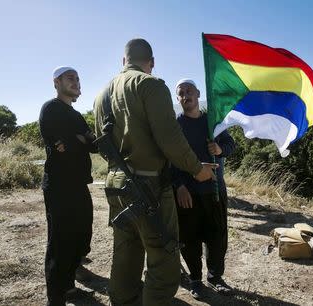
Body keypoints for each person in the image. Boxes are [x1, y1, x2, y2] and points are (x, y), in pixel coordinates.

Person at [93, 38, 217, 306]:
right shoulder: (151, 85)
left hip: (115, 183)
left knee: (126, 253)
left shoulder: (101, 94)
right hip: (148, 186)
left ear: (123, 61)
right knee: (164, 262)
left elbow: (101, 144)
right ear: (151, 63)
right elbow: (170, 139)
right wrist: (197, 169)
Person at [172, 79, 235, 299]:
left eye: (189, 91)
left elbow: (230, 145)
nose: (185, 95)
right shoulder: (175, 126)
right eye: (181, 93)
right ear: (178, 98)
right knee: (189, 239)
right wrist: (179, 186)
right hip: (188, 194)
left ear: (198, 93)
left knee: (217, 238)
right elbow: (169, 160)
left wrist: (219, 149)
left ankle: (215, 277)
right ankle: (196, 280)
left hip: (215, 191)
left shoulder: (213, 122)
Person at [39, 66, 96, 305]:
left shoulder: (75, 114)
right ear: (57, 82)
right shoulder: (51, 109)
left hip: (78, 184)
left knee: (81, 234)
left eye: (78, 78)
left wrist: (80, 140)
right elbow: (62, 146)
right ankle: (56, 296)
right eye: (70, 78)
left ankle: (69, 286)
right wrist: (79, 140)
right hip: (59, 186)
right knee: (60, 239)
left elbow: (93, 145)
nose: (76, 82)